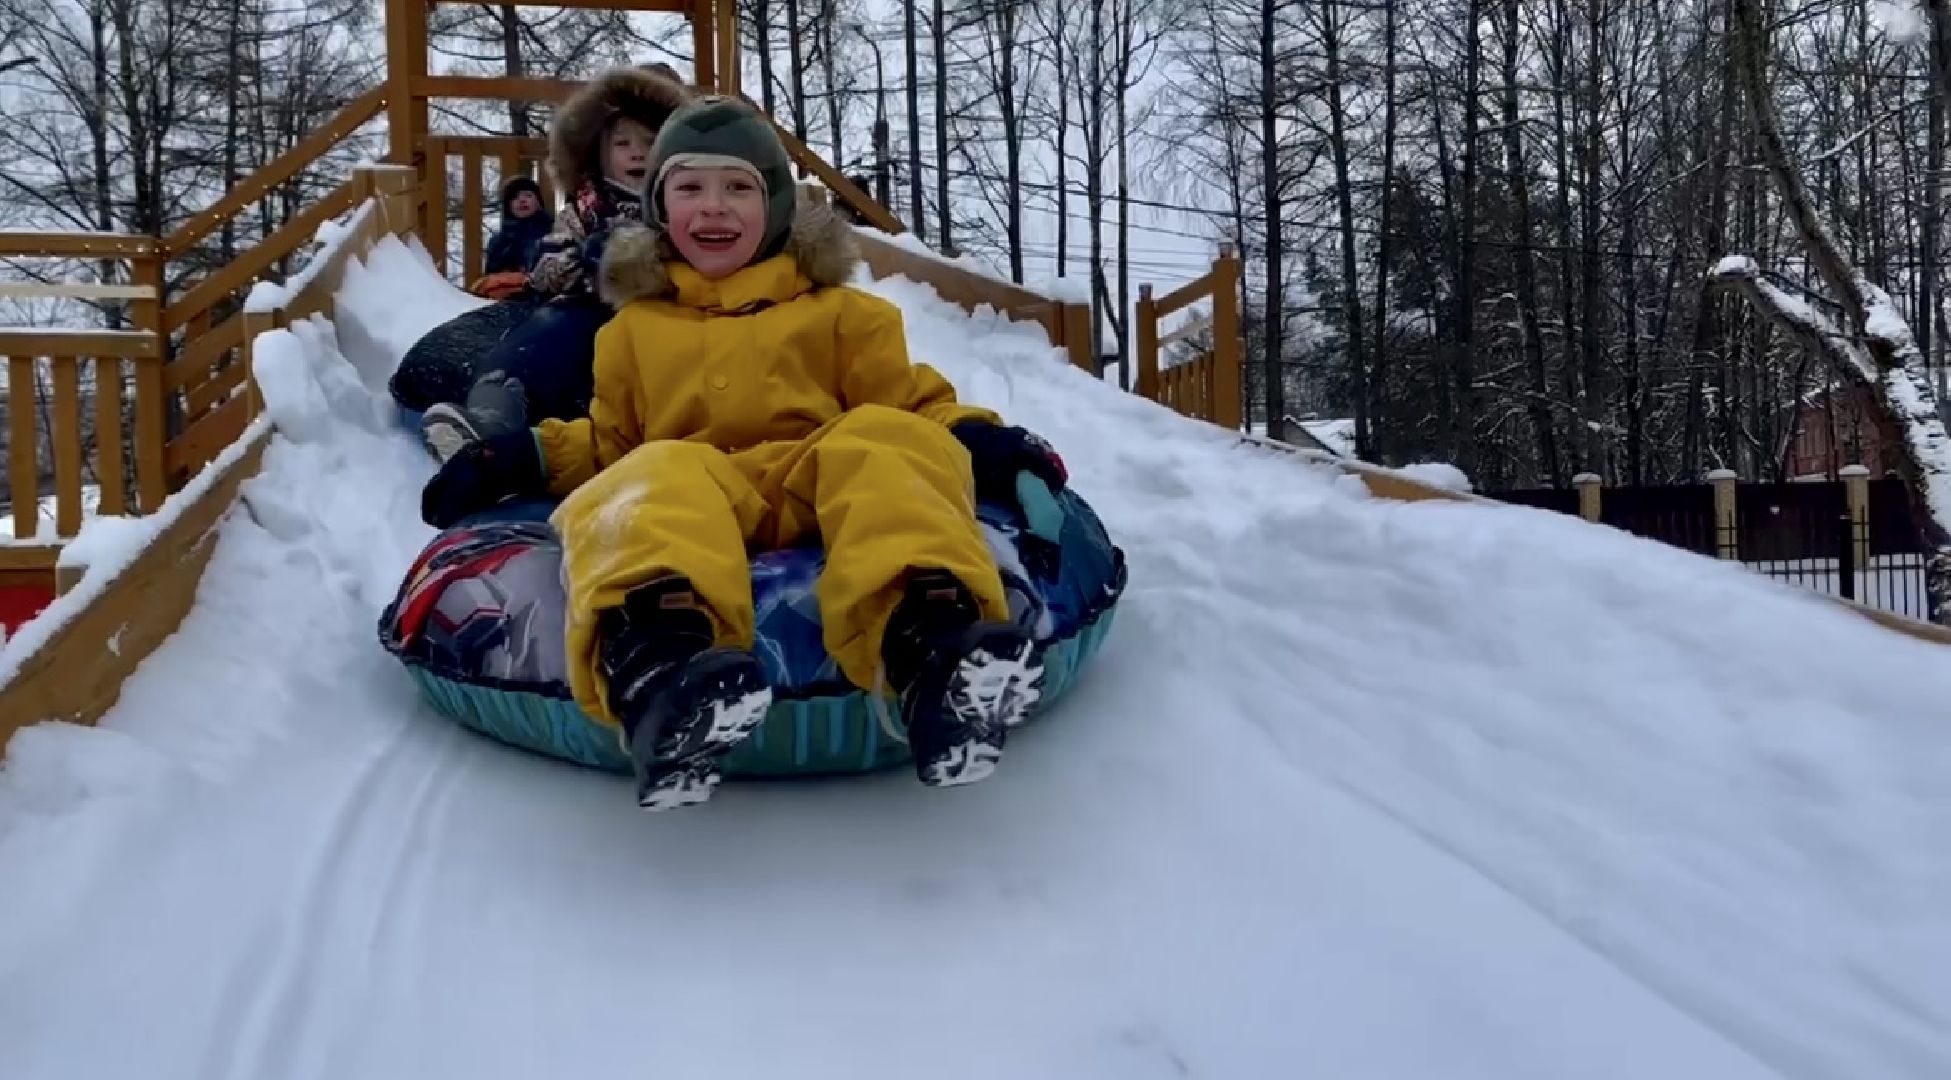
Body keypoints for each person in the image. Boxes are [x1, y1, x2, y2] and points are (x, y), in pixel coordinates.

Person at [419, 95, 1069, 811]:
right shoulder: (631, 331)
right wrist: (522, 457)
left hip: (819, 479)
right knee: (646, 474)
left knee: (889, 438)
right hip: (694, 492)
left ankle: (932, 648)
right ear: (660, 208)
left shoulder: (846, 316)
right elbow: (612, 443)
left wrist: (986, 439)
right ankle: (665, 670)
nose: (713, 208)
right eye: (689, 188)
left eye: (738, 188)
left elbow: (914, 405)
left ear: (779, 207)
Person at [418, 64, 691, 462]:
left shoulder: (682, 202)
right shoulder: (585, 209)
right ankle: (491, 416)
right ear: (597, 151)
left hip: (663, 316)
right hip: (587, 312)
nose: (638, 152)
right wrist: (583, 259)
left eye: (651, 142)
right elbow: (546, 269)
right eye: (623, 144)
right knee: (541, 335)